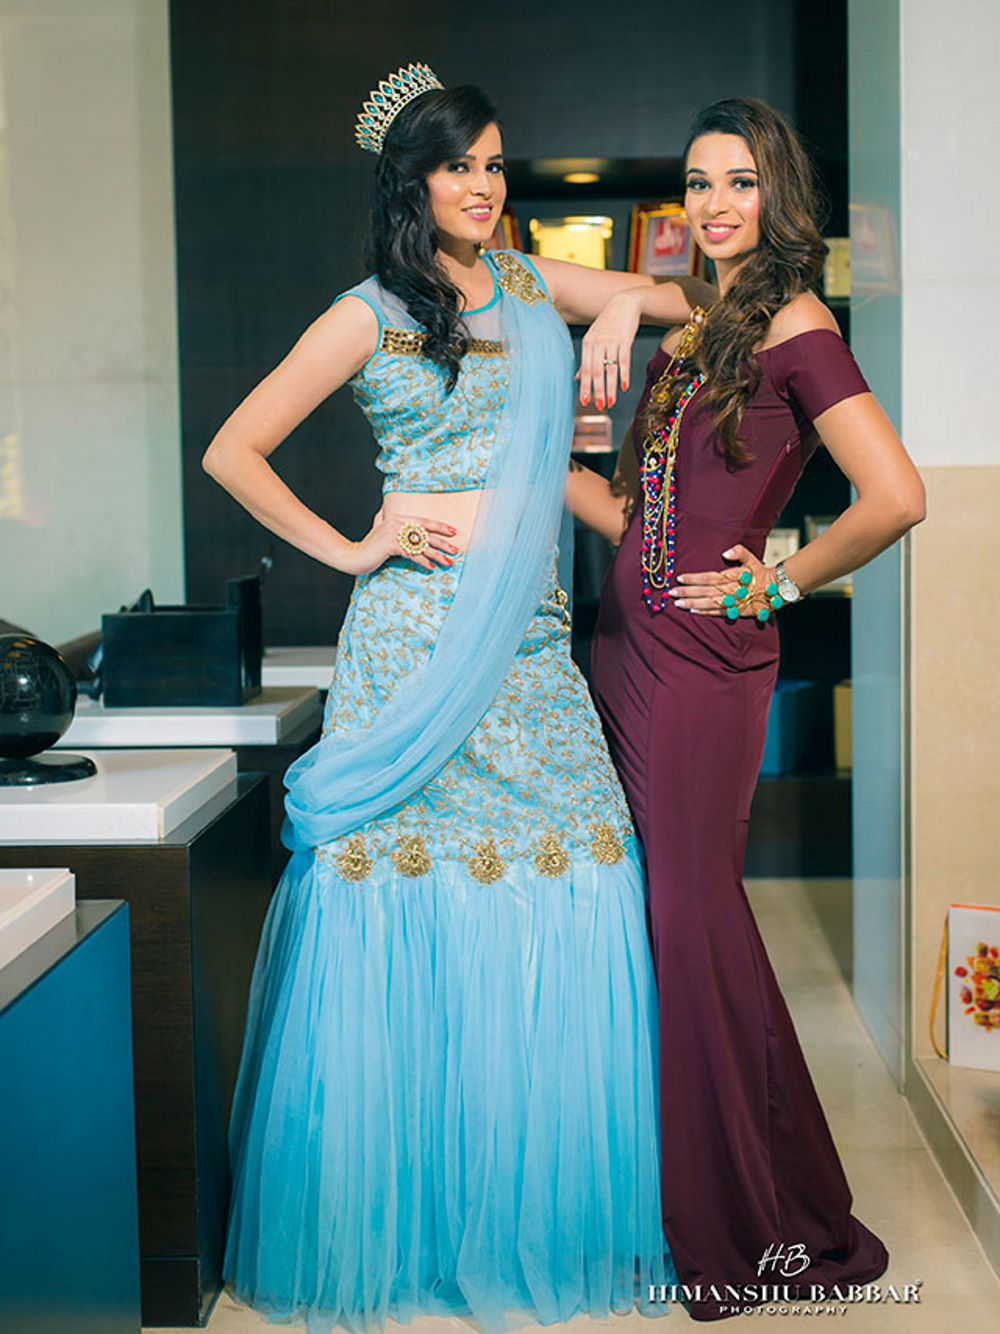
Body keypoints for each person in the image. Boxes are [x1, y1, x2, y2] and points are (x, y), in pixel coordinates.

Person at [203, 63, 711, 1333]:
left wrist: (620, 304)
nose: (483, 185)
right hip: (414, 647)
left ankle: (531, 1211)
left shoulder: (533, 282)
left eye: (493, 163)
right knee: (399, 891)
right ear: (411, 182)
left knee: (579, 870)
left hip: (529, 643)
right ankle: (402, 1220)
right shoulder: (366, 313)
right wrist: (351, 547)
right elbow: (233, 447)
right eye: (457, 166)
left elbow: (698, 297)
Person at [568, 97, 925, 1323]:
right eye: (697, 181)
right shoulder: (705, 316)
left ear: (778, 193)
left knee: (692, 919)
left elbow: (895, 495)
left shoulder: (797, 324)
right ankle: (724, 1187)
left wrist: (777, 578)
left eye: (738, 181)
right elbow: (642, 522)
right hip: (624, 649)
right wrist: (617, 314)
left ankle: (749, 1216)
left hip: (701, 666)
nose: (714, 203)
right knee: (667, 920)